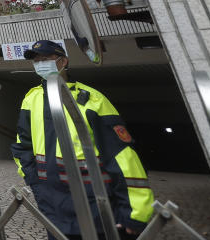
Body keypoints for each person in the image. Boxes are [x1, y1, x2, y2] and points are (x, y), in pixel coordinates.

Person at [10, 40, 154, 239]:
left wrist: (136, 211)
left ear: (63, 61)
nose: (40, 64)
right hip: (52, 204)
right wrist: (35, 182)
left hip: (96, 201)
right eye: (36, 61)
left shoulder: (92, 99)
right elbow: (22, 146)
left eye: (46, 59)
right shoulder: (31, 99)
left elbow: (122, 156)